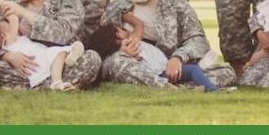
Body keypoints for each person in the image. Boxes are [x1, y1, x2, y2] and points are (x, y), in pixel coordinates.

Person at [99, 0, 236, 90]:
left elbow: (198, 40)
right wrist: (121, 52)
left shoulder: (177, 4)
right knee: (115, 63)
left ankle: (170, 87)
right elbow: (102, 46)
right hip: (134, 65)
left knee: (226, 72)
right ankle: (172, 87)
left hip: (169, 67)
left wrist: (178, 57)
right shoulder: (116, 8)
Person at [87, 24, 227, 92]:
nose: (125, 30)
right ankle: (212, 90)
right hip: (159, 72)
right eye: (121, 29)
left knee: (225, 71)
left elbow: (138, 27)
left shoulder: (133, 40)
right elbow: (136, 62)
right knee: (193, 70)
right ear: (117, 35)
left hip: (164, 68)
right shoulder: (125, 49)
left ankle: (192, 88)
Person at [0, 14, 85, 90]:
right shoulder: (9, 42)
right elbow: (14, 20)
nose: (12, 28)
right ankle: (57, 81)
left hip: (39, 58)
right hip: (39, 60)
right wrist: (9, 12)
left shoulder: (13, 42)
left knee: (59, 54)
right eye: (7, 26)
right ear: (3, 34)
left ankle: (68, 56)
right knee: (59, 54)